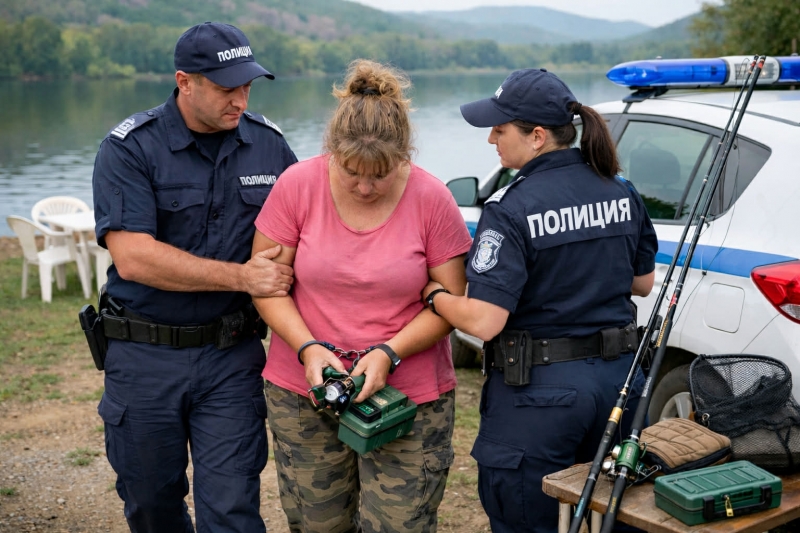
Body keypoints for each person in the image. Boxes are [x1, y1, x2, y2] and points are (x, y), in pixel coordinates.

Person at [422, 68, 658, 533]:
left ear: (535, 136)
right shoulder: (620, 189)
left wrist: (435, 297)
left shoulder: (511, 207)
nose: (491, 138)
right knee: (616, 516)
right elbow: (643, 282)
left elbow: (485, 321)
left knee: (527, 519)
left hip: (539, 395)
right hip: (619, 384)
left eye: (500, 128)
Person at [250, 59, 473, 533]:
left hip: (408, 400)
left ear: (403, 154)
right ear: (332, 149)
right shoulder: (296, 187)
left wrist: (389, 353)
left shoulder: (433, 199)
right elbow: (267, 286)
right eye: (352, 171)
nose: (365, 186)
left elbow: (451, 303)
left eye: (381, 173)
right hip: (305, 393)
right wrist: (309, 348)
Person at [91, 22, 297, 532]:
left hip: (231, 356)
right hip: (144, 357)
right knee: (151, 505)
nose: (241, 100)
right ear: (185, 82)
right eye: (228, 88)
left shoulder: (270, 147)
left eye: (248, 86)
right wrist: (244, 278)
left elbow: (299, 239)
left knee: (231, 510)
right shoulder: (129, 148)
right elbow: (135, 257)